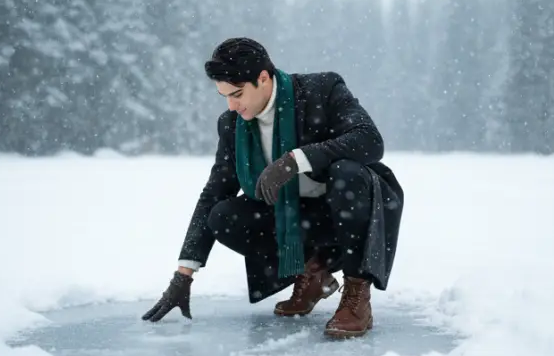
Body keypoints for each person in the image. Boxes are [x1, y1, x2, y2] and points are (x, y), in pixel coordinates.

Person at [142, 37, 404, 339]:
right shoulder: (232, 125)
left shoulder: (322, 90)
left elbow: (370, 140)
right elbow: (214, 192)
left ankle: (357, 295)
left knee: (347, 172)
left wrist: (294, 161)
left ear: (263, 78)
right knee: (222, 215)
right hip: (299, 221)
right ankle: (312, 272)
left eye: (237, 94)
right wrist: (183, 276)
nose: (232, 105)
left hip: (351, 214)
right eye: (224, 96)